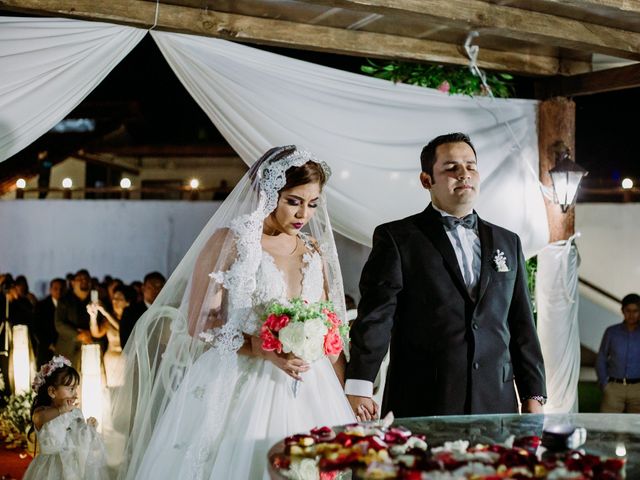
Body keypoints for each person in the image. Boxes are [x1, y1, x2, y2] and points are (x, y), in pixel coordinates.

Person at [109, 146, 354, 479]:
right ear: (267, 193)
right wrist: (258, 347)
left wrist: (342, 391)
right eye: (293, 201)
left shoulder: (313, 250)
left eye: (312, 204)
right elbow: (199, 322)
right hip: (240, 378)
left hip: (312, 385)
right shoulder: (231, 241)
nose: (303, 215)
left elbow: (330, 326)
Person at [346, 133, 546, 420]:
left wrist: (533, 394)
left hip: (495, 401)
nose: (464, 174)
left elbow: (521, 323)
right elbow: (376, 316)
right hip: (422, 398)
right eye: (451, 168)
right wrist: (360, 385)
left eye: (471, 166)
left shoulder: (508, 241)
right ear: (427, 180)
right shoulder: (398, 238)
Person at [24, 355, 109, 480]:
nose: (75, 394)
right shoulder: (43, 412)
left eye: (76, 388)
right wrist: (61, 410)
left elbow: (79, 439)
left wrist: (89, 429)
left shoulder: (75, 412)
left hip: (71, 467)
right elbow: (38, 418)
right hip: (49, 468)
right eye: (71, 389)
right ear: (52, 391)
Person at [596, 293, 640, 413]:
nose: (632, 315)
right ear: (622, 311)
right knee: (609, 425)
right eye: (628, 311)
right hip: (614, 388)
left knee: (636, 427)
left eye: (635, 311)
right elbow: (601, 357)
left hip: (638, 388)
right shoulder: (611, 332)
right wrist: (604, 384)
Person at [87, 285, 137, 387]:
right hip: (111, 361)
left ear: (128, 302)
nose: (115, 302)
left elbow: (124, 330)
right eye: (114, 298)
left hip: (127, 361)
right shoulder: (108, 320)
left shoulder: (132, 318)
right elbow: (96, 333)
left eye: (119, 299)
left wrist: (106, 313)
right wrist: (93, 317)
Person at [54, 269, 94, 368]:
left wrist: (90, 334)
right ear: (73, 283)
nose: (84, 281)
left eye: (86, 278)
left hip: (89, 349)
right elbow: (59, 324)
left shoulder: (95, 301)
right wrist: (79, 334)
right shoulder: (64, 301)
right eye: (80, 278)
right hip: (67, 351)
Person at [119, 272, 166, 348]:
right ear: (143, 288)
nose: (156, 291)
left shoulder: (168, 310)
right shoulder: (130, 311)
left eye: (159, 287)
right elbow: (125, 342)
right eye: (151, 287)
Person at [33, 278, 66, 367]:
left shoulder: (69, 305)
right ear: (50, 290)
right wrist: (49, 344)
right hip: (47, 350)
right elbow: (36, 328)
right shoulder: (41, 305)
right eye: (56, 289)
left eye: (61, 289)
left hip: (65, 350)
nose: (59, 291)